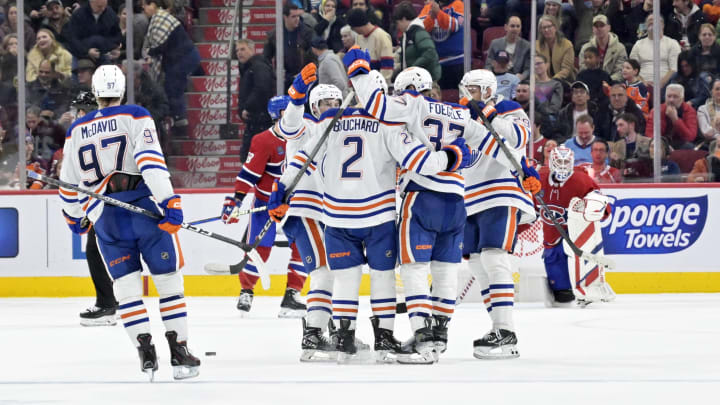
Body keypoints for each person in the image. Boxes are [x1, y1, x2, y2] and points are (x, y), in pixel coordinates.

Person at [269, 64, 471, 364]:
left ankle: (343, 339)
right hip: (378, 216)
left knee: (345, 279)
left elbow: (302, 159)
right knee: (382, 279)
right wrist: (451, 156)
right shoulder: (390, 125)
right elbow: (421, 163)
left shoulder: (330, 121)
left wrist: (281, 190)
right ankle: (384, 340)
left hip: (336, 216)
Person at [59, 65, 200, 380]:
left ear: (95, 93)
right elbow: (150, 162)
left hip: (107, 221)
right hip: (144, 211)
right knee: (168, 285)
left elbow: (68, 183)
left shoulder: (76, 129)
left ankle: (145, 352)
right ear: (121, 90)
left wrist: (74, 217)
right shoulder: (135, 114)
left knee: (126, 289)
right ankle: (179, 355)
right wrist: (169, 201)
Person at [458, 69, 539, 360]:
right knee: (478, 263)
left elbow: (519, 138)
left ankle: (506, 331)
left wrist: (489, 113)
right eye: (466, 88)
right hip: (469, 196)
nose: (469, 94)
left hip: (501, 190)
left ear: (490, 91)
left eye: (475, 89)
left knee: (494, 256)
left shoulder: (509, 108)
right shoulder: (462, 114)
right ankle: (499, 328)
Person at [276, 74, 358, 362]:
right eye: (325, 102)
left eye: (336, 101)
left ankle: (327, 329)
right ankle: (313, 334)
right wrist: (296, 97)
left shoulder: (343, 131)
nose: (333, 106)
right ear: (314, 105)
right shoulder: (308, 127)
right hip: (304, 209)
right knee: (325, 271)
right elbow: (289, 125)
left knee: (333, 270)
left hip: (326, 211)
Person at [221, 95, 308, 318]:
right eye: (288, 111)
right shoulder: (264, 141)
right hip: (266, 204)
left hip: (297, 205)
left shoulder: (308, 133)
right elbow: (248, 175)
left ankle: (292, 295)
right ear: (278, 115)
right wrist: (236, 200)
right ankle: (246, 291)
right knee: (260, 249)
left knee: (302, 248)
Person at [58, 91, 120, 326]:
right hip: (122, 197)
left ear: (85, 111)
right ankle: (117, 301)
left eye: (78, 111)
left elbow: (73, 178)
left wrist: (75, 212)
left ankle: (108, 304)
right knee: (103, 249)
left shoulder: (80, 134)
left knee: (96, 250)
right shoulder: (115, 125)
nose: (75, 116)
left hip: (104, 203)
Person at [536, 146, 613, 306]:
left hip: (577, 234)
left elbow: (605, 208)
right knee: (562, 292)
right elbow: (527, 206)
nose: (563, 166)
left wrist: (596, 208)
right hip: (552, 237)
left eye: (566, 162)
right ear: (551, 162)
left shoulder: (582, 180)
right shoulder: (539, 178)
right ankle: (563, 292)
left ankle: (590, 288)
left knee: (585, 255)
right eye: (559, 161)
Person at [141, 0, 200, 136]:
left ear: (155, 5)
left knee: (173, 90)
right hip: (184, 57)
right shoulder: (161, 18)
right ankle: (179, 123)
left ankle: (181, 126)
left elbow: (161, 46)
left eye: (147, 4)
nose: (143, 7)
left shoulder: (160, 19)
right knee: (173, 89)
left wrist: (150, 52)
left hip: (182, 59)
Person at [236, 38, 276, 162]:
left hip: (261, 121)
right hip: (255, 121)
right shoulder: (248, 68)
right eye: (237, 50)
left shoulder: (258, 66)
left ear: (252, 50)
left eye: (243, 49)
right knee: (248, 157)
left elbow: (262, 88)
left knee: (250, 157)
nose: (239, 53)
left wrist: (248, 107)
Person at [264, 3, 315, 90]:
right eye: (293, 17)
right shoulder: (274, 35)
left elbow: (314, 56)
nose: (297, 19)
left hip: (303, 79)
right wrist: (275, 74)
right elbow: (266, 59)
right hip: (283, 81)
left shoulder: (307, 33)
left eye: (298, 16)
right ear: (285, 17)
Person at [417, 0, 466, 89]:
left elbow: (456, 25)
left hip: (458, 62)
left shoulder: (459, 5)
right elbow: (420, 30)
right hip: (436, 64)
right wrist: (431, 17)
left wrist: (438, 13)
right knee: (440, 99)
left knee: (460, 97)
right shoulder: (428, 7)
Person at [393, 0, 441, 81]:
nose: (398, 27)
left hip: (424, 80)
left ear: (404, 19)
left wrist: (412, 69)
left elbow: (430, 52)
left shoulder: (418, 32)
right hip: (417, 79)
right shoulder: (409, 34)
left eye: (398, 23)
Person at [629, 15, 681, 88]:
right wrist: (644, 83)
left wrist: (659, 85)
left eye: (654, 20)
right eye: (649, 20)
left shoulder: (672, 43)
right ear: (645, 25)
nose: (651, 21)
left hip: (666, 86)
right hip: (642, 85)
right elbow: (632, 68)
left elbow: (674, 69)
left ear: (662, 25)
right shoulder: (638, 44)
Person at [64, 0, 122, 64]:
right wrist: (87, 52)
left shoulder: (110, 13)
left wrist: (114, 47)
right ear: (91, 2)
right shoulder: (78, 15)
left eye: (105, 6)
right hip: (81, 54)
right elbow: (73, 39)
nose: (103, 9)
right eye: (99, 6)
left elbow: (116, 35)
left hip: (105, 52)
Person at [645, 83, 698, 150]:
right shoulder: (657, 110)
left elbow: (690, 137)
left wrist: (675, 120)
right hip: (661, 143)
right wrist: (663, 145)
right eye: (669, 96)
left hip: (681, 143)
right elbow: (650, 133)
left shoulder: (689, 111)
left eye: (675, 97)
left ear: (682, 99)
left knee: (689, 147)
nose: (671, 100)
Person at [346, 8, 393, 82]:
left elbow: (387, 67)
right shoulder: (359, 37)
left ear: (357, 26)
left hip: (378, 84)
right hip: (364, 84)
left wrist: (380, 85)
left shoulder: (382, 36)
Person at [578, 14, 628, 82]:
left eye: (602, 25)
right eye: (596, 26)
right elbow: (583, 68)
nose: (599, 28)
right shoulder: (585, 48)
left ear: (609, 28)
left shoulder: (620, 48)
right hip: (591, 81)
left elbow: (620, 71)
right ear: (593, 29)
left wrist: (606, 80)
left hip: (612, 83)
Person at [485, 15, 531, 81]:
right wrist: (491, 76)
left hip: (517, 80)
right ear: (506, 27)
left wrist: (522, 76)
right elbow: (488, 64)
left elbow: (528, 68)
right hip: (498, 78)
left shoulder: (527, 46)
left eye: (518, 26)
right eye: (512, 26)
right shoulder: (495, 43)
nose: (515, 29)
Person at [536, 15, 576, 83]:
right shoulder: (536, 46)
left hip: (563, 81)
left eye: (549, 26)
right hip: (541, 81)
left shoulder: (567, 45)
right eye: (543, 28)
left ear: (555, 27)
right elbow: (534, 68)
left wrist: (551, 81)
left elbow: (566, 69)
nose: (546, 30)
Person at [697, 79, 720, 149]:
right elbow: (706, 132)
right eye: (717, 89)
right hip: (711, 143)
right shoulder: (702, 109)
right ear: (711, 92)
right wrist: (716, 130)